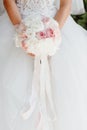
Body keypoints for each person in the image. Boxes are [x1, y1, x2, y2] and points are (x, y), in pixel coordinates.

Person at [0, 0, 87, 130]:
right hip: (17, 23)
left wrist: (52, 35)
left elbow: (65, 5)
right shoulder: (21, 30)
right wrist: (24, 35)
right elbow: (8, 2)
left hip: (58, 24)